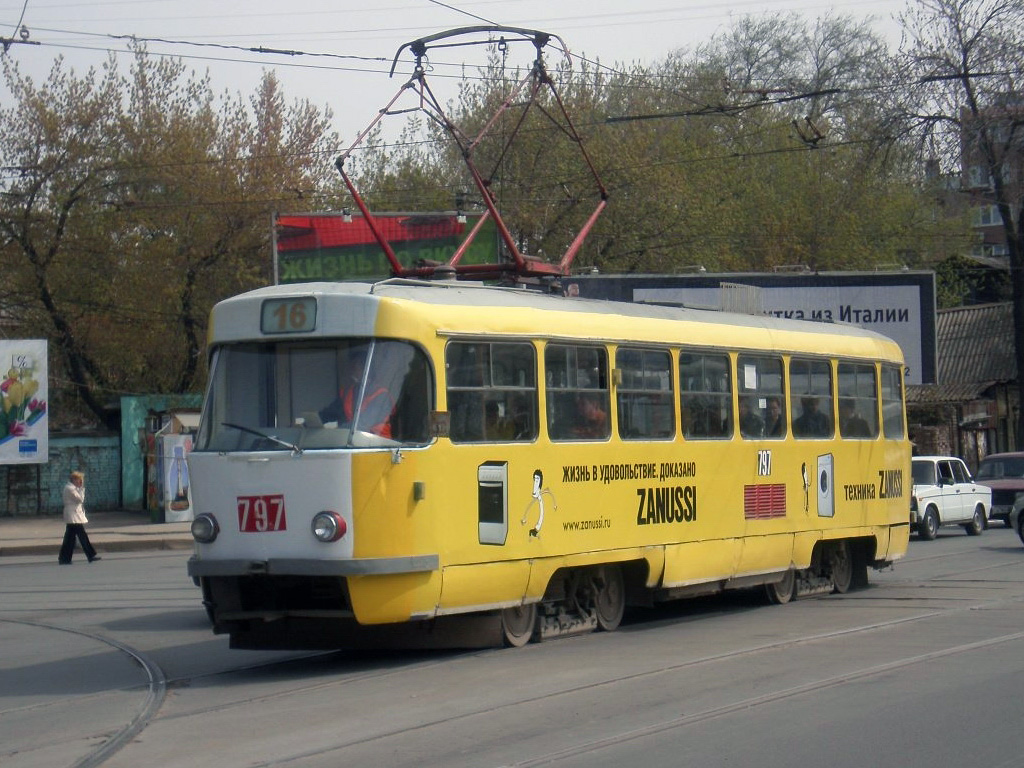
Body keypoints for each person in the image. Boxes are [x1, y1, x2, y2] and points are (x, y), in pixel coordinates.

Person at [320, 349, 393, 437]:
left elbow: (363, 423)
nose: (351, 372)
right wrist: (314, 421)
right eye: (351, 367)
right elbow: (330, 412)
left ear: (366, 369)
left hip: (379, 445)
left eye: (355, 367)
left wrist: (335, 431)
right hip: (354, 442)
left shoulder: (381, 396)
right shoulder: (348, 392)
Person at [58, 470, 100, 564]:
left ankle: (64, 558)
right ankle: (90, 555)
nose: (80, 482)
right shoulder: (71, 489)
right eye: (79, 480)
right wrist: (81, 489)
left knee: (70, 538)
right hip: (73, 515)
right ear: (74, 479)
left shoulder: (71, 488)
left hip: (74, 514)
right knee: (81, 536)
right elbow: (80, 499)